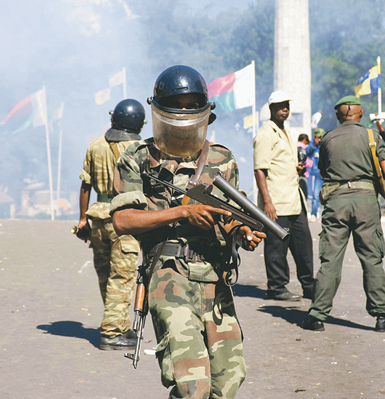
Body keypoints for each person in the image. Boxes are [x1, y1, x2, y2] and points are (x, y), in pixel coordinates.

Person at [111, 65, 265, 398]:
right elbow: (123, 220)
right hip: (169, 276)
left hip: (214, 277)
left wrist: (242, 232)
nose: (184, 110)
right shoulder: (138, 157)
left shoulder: (221, 159)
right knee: (193, 385)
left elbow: (230, 216)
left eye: (192, 103)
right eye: (177, 103)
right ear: (160, 109)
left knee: (229, 379)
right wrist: (183, 212)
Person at [302, 95, 385, 332]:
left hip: (336, 202)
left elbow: (324, 171)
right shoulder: (372, 136)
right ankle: (381, 317)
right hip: (366, 201)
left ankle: (317, 316)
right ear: (361, 113)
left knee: (330, 259)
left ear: (338, 116)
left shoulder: (327, 139)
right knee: (372, 258)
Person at [76, 99, 145, 350]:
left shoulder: (95, 145)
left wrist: (83, 218)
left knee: (106, 277)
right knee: (122, 278)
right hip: (125, 220)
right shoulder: (140, 148)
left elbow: (85, 185)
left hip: (98, 219)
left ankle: (118, 324)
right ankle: (112, 333)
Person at [253, 91, 315, 301]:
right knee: (277, 248)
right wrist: (267, 202)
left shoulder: (285, 131)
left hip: (294, 199)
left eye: (286, 105)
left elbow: (279, 163)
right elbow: (259, 169)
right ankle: (277, 287)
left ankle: (309, 285)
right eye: (280, 106)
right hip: (277, 202)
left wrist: (295, 168)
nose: (284, 109)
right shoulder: (265, 133)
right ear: (271, 109)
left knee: (304, 245)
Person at [306, 128, 325, 222]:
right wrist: (314, 144)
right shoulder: (313, 146)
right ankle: (313, 214)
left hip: (327, 174)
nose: (318, 139)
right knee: (315, 196)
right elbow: (307, 152)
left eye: (319, 138)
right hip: (317, 174)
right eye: (316, 137)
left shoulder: (326, 145)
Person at [297, 133, 310, 199]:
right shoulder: (302, 149)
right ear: (304, 140)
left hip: (294, 175)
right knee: (303, 195)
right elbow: (302, 162)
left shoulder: (293, 148)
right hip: (301, 175)